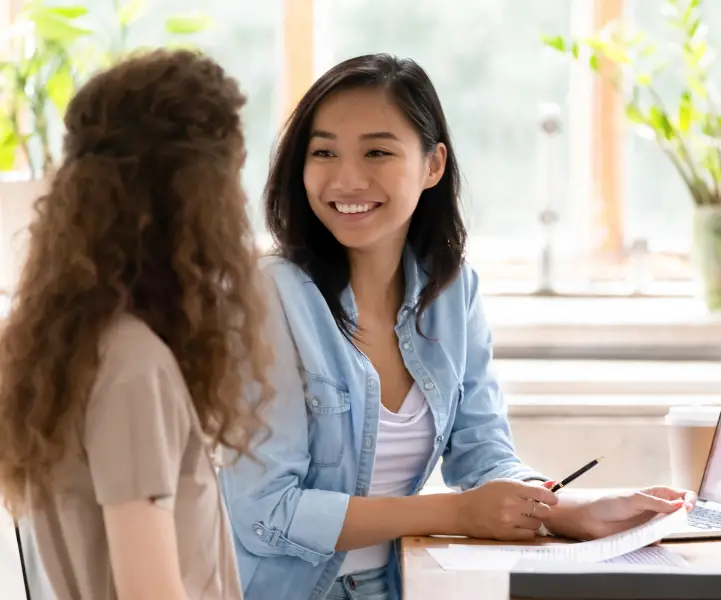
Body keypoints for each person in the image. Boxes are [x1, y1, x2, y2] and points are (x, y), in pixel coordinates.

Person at [219, 53, 696, 600]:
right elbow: (265, 510)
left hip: (394, 586)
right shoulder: (267, 297)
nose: (347, 178)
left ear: (432, 165)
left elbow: (483, 451)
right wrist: (454, 511)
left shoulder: (451, 291)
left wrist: (569, 512)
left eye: (377, 151)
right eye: (323, 152)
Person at [0, 48, 272, 600]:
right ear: (189, 195)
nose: (241, 201)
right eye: (232, 177)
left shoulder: (76, 350)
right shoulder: (132, 368)